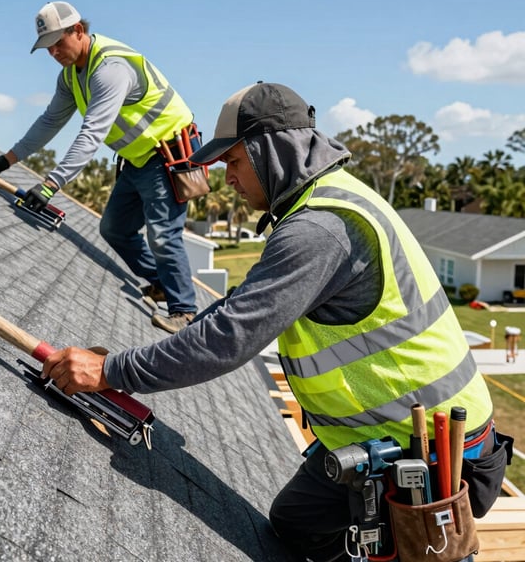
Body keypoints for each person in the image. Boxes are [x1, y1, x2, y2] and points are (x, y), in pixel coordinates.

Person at [39, 82, 510, 561]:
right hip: (374, 439)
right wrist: (120, 361)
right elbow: (237, 306)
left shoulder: (319, 229)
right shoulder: (323, 202)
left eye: (234, 162)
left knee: (412, 552)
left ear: (272, 153)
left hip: (431, 454)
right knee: (297, 524)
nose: (228, 179)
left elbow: (229, 336)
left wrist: (111, 372)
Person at [0, 1, 200, 334]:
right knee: (113, 228)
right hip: (138, 158)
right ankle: (162, 282)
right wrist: (8, 159)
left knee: (162, 234)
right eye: (47, 47)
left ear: (78, 30)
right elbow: (50, 120)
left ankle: (185, 311)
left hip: (169, 153)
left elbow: (92, 133)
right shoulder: (70, 76)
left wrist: (52, 184)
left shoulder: (110, 70)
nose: (53, 52)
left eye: (58, 42)